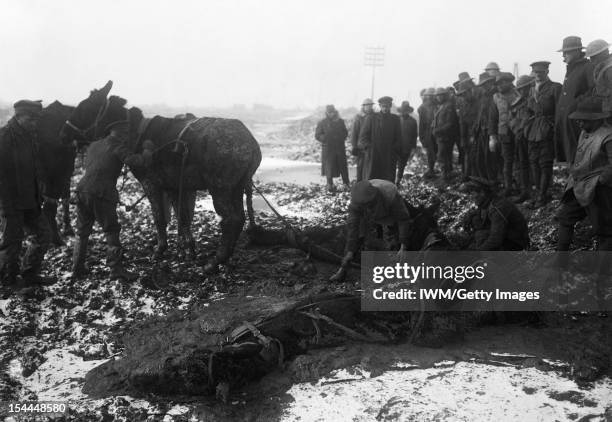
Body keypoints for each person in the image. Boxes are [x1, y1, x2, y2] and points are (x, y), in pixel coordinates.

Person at [72, 121, 154, 281]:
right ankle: (116, 269)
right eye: (125, 134)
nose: (126, 137)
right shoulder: (118, 145)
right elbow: (137, 162)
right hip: (102, 193)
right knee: (111, 230)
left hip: (82, 190)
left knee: (82, 232)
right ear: (121, 133)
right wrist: (147, 151)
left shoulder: (94, 145)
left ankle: (77, 269)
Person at [0, 100, 55, 293]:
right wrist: (5, 205)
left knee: (43, 235)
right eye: (30, 119)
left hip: (30, 200)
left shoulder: (28, 136)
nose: (34, 123)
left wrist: (39, 193)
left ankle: (30, 274)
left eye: (36, 120)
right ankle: (9, 282)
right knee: (11, 243)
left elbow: (32, 169)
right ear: (18, 116)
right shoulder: (4, 137)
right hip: (11, 202)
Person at [556, 98, 612, 251]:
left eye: (583, 120)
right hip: (579, 185)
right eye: (578, 119)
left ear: (596, 119)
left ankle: (602, 272)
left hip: (599, 190)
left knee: (605, 231)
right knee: (565, 217)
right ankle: (560, 260)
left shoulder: (607, 136)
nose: (579, 123)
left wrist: (601, 180)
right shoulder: (584, 132)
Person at [329, 179, 412, 281]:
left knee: (396, 242)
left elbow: (403, 219)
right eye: (365, 205)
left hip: (389, 214)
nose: (368, 207)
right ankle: (343, 269)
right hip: (368, 216)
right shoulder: (357, 202)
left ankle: (397, 270)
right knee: (359, 236)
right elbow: (353, 227)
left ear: (375, 198)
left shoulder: (390, 194)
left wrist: (403, 246)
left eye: (370, 204)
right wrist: (350, 251)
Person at [554, 36, 595, 164]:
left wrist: (576, 106)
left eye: (566, 52)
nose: (563, 56)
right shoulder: (571, 70)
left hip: (578, 123)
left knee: (579, 158)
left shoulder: (588, 67)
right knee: (571, 158)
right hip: (567, 123)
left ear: (576, 51)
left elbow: (593, 91)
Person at [526, 61, 562, 208]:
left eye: (541, 72)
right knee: (534, 163)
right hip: (533, 130)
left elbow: (560, 110)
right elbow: (529, 110)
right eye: (535, 72)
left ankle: (542, 197)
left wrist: (554, 127)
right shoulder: (532, 89)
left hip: (547, 129)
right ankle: (539, 194)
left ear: (547, 71)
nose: (538, 75)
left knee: (545, 163)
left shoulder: (555, 88)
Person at [462, 176, 530, 251]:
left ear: (482, 193)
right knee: (475, 220)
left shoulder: (497, 207)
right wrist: (470, 215)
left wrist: (478, 252)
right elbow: (479, 214)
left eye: (472, 194)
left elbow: (496, 239)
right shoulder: (487, 202)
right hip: (507, 235)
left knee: (481, 235)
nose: (471, 197)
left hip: (516, 242)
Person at [489, 72, 519, 196]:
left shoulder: (518, 94)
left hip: (518, 132)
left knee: (520, 160)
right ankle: (508, 187)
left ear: (509, 82)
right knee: (507, 161)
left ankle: (521, 187)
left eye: (502, 83)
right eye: (497, 84)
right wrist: (492, 137)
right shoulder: (496, 97)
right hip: (504, 133)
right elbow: (493, 118)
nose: (499, 86)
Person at [358, 96, 401, 182]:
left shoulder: (395, 119)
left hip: (388, 155)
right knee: (372, 179)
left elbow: (398, 137)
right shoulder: (372, 118)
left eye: (387, 106)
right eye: (383, 106)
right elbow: (363, 137)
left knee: (387, 180)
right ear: (380, 106)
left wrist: (394, 150)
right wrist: (369, 148)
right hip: (374, 155)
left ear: (390, 106)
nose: (385, 108)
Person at [509, 75, 536, 203]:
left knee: (535, 164)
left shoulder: (535, 100)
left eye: (524, 88)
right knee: (522, 164)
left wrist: (523, 128)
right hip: (520, 137)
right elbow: (511, 119)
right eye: (519, 89)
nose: (521, 92)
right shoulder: (517, 102)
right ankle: (525, 191)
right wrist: (517, 129)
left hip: (532, 137)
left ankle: (538, 193)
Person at [315, 105, 349, 192]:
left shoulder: (340, 121)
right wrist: (325, 138)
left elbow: (345, 133)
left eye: (332, 112)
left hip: (339, 148)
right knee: (329, 167)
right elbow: (317, 135)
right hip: (328, 149)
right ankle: (329, 184)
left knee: (342, 166)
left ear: (335, 112)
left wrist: (340, 137)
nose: (331, 114)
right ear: (326, 113)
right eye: (329, 112)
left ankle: (346, 183)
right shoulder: (322, 122)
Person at [472, 72, 498, 182]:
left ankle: (493, 181)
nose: (483, 86)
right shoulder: (483, 96)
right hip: (481, 131)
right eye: (482, 85)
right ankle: (485, 181)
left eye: (485, 84)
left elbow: (496, 116)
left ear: (491, 82)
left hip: (491, 132)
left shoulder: (496, 95)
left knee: (491, 159)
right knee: (480, 158)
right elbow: (479, 115)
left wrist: (493, 135)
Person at [432, 87, 459, 182]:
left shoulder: (448, 106)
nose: (438, 97)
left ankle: (445, 176)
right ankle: (447, 175)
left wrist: (438, 130)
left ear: (444, 96)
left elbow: (450, 123)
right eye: (437, 96)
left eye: (440, 95)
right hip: (441, 136)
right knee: (446, 156)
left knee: (442, 156)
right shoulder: (441, 106)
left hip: (446, 136)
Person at [456, 75, 478, 180]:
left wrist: (473, 134)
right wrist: (463, 138)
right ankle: (467, 176)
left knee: (476, 156)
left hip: (477, 132)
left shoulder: (478, 102)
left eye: (465, 93)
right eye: (462, 95)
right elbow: (462, 123)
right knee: (467, 154)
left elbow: (479, 119)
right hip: (468, 133)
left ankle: (473, 176)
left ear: (470, 91)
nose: (464, 96)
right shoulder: (464, 105)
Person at [585, 39, 612, 114]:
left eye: (593, 56)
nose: (591, 60)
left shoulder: (609, 69)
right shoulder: (601, 68)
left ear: (604, 53)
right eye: (590, 57)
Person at [350, 99, 375, 182]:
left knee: (370, 167)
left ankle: (368, 183)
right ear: (363, 106)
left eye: (371, 105)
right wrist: (354, 146)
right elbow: (354, 132)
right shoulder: (358, 117)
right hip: (361, 147)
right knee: (360, 166)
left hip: (371, 146)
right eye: (367, 105)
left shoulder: (374, 116)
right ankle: (359, 183)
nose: (369, 107)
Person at [396, 101, 418, 186]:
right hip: (395, 146)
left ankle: (398, 180)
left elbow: (414, 135)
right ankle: (390, 180)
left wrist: (413, 148)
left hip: (406, 147)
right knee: (392, 164)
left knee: (402, 165)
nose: (404, 112)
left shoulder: (413, 121)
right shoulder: (396, 119)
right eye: (403, 110)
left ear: (408, 111)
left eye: (406, 111)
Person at [418, 88, 437, 178]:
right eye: (429, 95)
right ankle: (431, 169)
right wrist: (422, 137)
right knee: (430, 152)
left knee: (437, 151)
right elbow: (421, 124)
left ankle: (436, 169)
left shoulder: (437, 105)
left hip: (437, 131)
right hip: (428, 132)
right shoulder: (422, 108)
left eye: (432, 95)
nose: (430, 97)